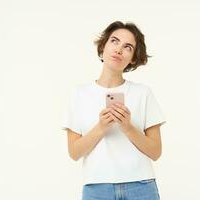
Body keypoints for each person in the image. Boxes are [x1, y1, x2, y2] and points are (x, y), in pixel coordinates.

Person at [62, 21, 166, 200]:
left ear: (133, 58)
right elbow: (74, 152)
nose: (119, 50)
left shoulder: (143, 93)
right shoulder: (79, 94)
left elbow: (155, 152)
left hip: (141, 186)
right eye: (114, 41)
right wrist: (101, 127)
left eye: (128, 47)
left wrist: (128, 128)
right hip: (97, 188)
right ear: (103, 46)